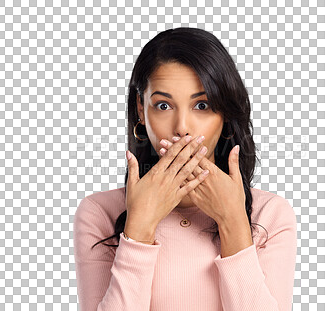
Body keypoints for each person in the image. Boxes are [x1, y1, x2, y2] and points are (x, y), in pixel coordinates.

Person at [73, 27, 297, 311]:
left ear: (225, 113)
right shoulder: (99, 213)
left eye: (202, 105)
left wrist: (233, 222)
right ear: (141, 110)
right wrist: (139, 229)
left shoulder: (270, 215)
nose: (182, 127)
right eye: (163, 105)